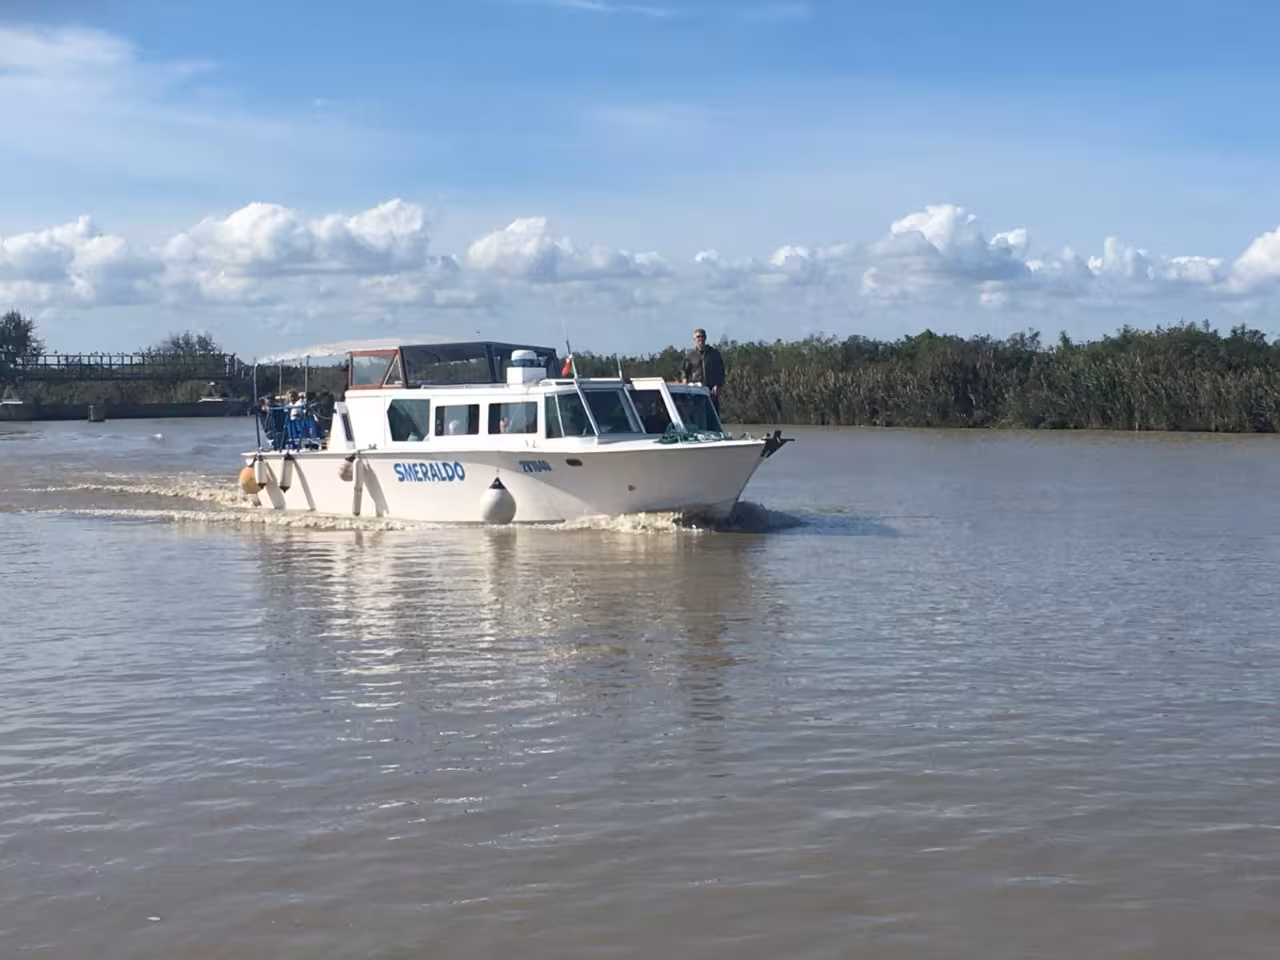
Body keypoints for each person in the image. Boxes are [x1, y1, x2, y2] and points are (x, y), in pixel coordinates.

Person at [680, 327, 726, 412]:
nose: (700, 339)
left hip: (711, 391)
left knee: (712, 414)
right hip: (695, 391)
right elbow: (684, 372)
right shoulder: (690, 356)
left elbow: (721, 371)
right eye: (698, 337)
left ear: (705, 338)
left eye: (702, 336)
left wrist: (719, 385)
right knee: (697, 415)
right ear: (694, 339)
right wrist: (685, 385)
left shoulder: (714, 354)